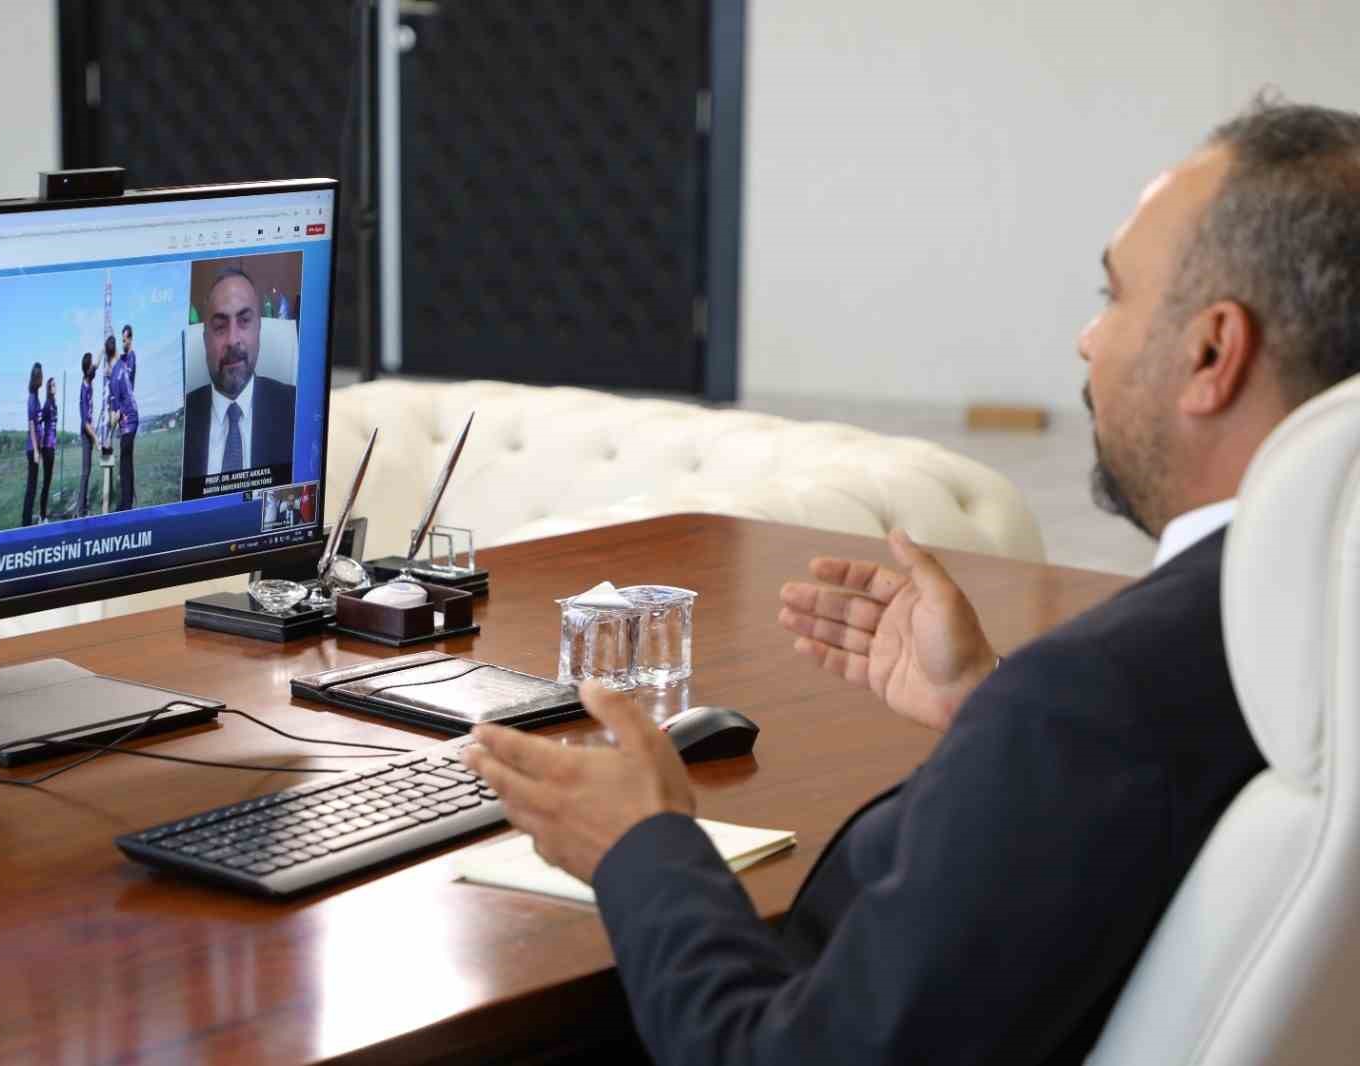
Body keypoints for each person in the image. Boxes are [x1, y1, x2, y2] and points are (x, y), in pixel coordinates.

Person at [465, 98, 1360, 1065]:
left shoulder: (1095, 703)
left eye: (1113, 296)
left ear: (1211, 353)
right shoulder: (1296, 626)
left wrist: (641, 842)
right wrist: (990, 708)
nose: (1087, 340)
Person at [181, 267, 296, 492]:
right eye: (220, 327)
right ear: (205, 340)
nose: (233, 340)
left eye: (244, 321)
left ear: (259, 330)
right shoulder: (182, 420)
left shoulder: (296, 409)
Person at [106, 335, 138, 511]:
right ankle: (128, 500)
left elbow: (115, 414)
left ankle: (126, 505)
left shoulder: (113, 379)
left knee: (124, 465)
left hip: (128, 422)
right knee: (127, 462)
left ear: (108, 359)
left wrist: (107, 435)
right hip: (133, 417)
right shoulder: (122, 365)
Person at [21, 362, 44, 527]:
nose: (42, 378)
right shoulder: (32, 398)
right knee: (31, 486)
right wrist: (36, 450)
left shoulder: (36, 396)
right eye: (41, 376)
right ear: (37, 378)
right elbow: (31, 425)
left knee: (33, 485)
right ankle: (26, 522)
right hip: (32, 448)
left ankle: (28, 519)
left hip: (36, 447)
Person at [77, 351, 96, 517]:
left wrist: (103, 349)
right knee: (85, 471)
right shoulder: (83, 390)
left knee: (88, 471)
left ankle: (83, 505)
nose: (94, 368)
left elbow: (96, 364)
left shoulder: (89, 380)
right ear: (87, 369)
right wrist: (96, 438)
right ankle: (80, 510)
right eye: (91, 366)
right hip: (86, 433)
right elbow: (85, 424)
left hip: (90, 432)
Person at [38, 376, 59, 522]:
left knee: (48, 481)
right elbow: (39, 422)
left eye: (55, 385)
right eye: (52, 385)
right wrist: (40, 445)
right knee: (46, 482)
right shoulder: (47, 405)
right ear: (48, 388)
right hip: (47, 448)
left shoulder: (54, 405)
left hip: (52, 447)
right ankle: (42, 516)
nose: (54, 387)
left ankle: (43, 513)